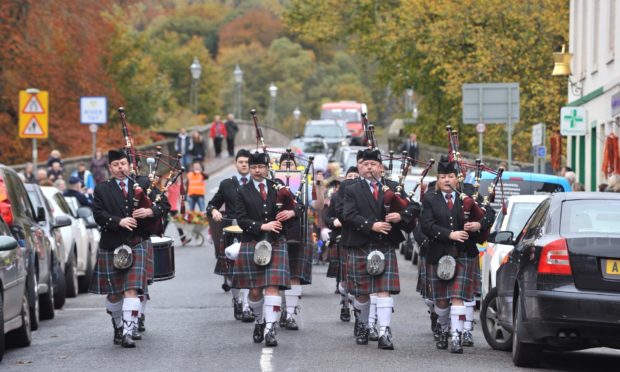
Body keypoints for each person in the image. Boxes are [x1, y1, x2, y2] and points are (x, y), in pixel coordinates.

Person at [88, 149, 168, 348]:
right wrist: (119, 221)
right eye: (116, 165)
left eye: (123, 163)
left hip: (137, 242)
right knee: (115, 293)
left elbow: (165, 205)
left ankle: (128, 331)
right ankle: (118, 326)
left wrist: (150, 211)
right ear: (110, 168)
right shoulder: (102, 189)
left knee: (131, 289)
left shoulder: (143, 184)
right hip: (112, 244)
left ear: (129, 165)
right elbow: (98, 215)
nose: (120, 168)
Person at [342, 148, 420, 350]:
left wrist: (400, 216)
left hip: (383, 244)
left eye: (373, 164)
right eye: (365, 164)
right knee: (361, 293)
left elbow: (414, 207)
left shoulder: (391, 188)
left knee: (384, 290)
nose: (369, 168)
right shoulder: (351, 189)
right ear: (359, 167)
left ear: (380, 168)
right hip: (360, 243)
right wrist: (371, 225)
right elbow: (347, 215)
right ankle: (363, 325)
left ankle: (384, 331)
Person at [419, 156, 494, 354]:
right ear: (438, 178)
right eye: (442, 176)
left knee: (457, 297)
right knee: (441, 300)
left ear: (457, 179)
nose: (446, 180)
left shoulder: (469, 195)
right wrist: (449, 234)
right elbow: (426, 225)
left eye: (450, 176)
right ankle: (443, 329)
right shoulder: (430, 198)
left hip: (463, 254)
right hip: (439, 254)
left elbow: (490, 213)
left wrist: (478, 224)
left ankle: (456, 336)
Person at [232, 151, 296, 347]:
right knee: (254, 291)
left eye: (260, 167)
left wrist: (291, 211)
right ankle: (259, 320)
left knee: (272, 287)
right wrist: (262, 226)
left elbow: (298, 208)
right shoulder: (242, 191)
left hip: (276, 242)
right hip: (253, 241)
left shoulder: (278, 187)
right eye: (253, 167)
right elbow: (241, 219)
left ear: (268, 168)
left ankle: (270, 328)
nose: (257, 171)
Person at [276, 152, 324, 331]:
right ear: (278, 167)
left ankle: (289, 315)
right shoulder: (272, 184)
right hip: (276, 234)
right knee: (277, 275)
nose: (288, 167)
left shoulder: (305, 185)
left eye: (291, 164)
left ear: (297, 167)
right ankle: (278, 309)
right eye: (284, 164)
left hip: (300, 233)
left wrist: (319, 186)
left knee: (294, 275)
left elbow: (318, 206)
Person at [207, 149, 251, 319]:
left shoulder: (256, 183)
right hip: (232, 232)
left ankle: (247, 307)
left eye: (247, 162)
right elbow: (212, 204)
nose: (244, 165)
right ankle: (237, 301)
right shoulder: (227, 184)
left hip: (250, 231)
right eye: (241, 162)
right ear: (236, 164)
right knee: (234, 272)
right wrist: (214, 211)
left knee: (247, 270)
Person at [325, 166, 359, 322]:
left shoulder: (363, 195)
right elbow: (328, 218)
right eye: (349, 175)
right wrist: (334, 222)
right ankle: (345, 304)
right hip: (342, 238)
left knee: (358, 278)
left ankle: (358, 311)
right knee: (345, 279)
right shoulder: (337, 196)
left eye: (355, 175)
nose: (352, 178)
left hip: (358, 238)